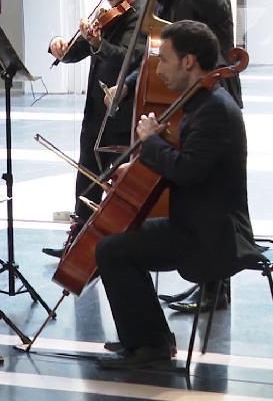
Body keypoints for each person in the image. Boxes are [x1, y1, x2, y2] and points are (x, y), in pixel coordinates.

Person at [94, 20, 260, 370]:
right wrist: (138, 170)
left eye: (165, 60)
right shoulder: (205, 101)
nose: (159, 69)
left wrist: (151, 141)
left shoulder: (214, 108)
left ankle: (149, 344)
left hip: (210, 234)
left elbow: (187, 170)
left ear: (189, 62)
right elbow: (191, 166)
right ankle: (150, 337)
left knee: (112, 250)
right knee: (118, 240)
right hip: (196, 222)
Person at [113, 0, 242, 311]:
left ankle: (216, 286)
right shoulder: (165, 0)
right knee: (196, 190)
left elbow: (220, 9)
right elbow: (159, 50)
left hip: (214, 91)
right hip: (190, 96)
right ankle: (205, 281)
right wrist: (130, 84)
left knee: (211, 187)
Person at [40, 0, 145, 258]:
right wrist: (58, 44)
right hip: (95, 112)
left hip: (121, 113)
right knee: (85, 175)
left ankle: (112, 246)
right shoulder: (107, 16)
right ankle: (78, 243)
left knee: (114, 180)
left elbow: (127, 59)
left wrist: (98, 43)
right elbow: (76, 53)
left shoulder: (139, 19)